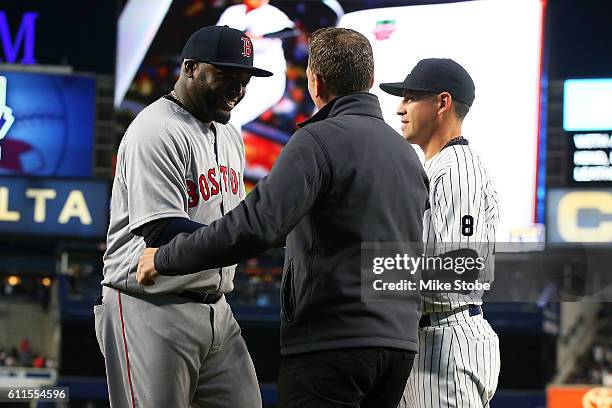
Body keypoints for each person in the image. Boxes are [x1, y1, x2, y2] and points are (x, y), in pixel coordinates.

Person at [136, 27, 429, 408]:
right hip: (398, 350)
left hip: (333, 343)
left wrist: (165, 257)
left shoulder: (319, 139)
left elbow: (257, 227)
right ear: (370, 82)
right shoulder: (407, 154)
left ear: (315, 80)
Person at [95, 25, 272, 408]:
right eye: (225, 76)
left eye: (244, 81)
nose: (237, 91)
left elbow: (232, 220)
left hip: (217, 309)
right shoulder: (155, 129)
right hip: (149, 306)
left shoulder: (229, 135)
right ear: (190, 68)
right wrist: (250, 237)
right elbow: (162, 229)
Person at [379, 58, 500, 407]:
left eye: (410, 97)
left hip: (445, 342)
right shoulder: (437, 166)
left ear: (442, 103)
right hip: (432, 338)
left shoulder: (457, 168)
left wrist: (374, 273)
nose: (400, 108)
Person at [217, 0, 295, 130]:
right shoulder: (233, 12)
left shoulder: (273, 14)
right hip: (240, 78)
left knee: (231, 116)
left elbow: (290, 30)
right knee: (222, 113)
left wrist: (259, 37)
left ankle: (226, 149)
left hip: (267, 82)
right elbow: (216, 37)